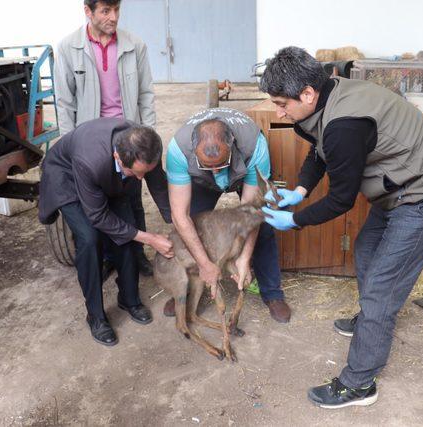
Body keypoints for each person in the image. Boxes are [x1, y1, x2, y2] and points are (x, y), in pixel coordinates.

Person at [259, 47, 423, 408]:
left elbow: (341, 199)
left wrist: (296, 220)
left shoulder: (344, 124)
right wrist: (302, 189)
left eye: (281, 103)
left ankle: (359, 384)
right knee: (366, 251)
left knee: (381, 288)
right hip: (397, 188)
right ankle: (373, 319)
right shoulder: (328, 95)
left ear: (307, 94)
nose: (278, 112)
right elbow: (319, 152)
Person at [39, 118, 174, 346]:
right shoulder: (90, 161)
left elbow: (158, 186)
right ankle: (95, 315)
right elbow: (98, 216)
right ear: (118, 157)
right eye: (136, 173)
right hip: (68, 178)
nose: (141, 179)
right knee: (89, 239)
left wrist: (177, 225)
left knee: (129, 229)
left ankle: (129, 299)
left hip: (110, 175)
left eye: (144, 172)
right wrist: (150, 239)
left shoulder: (145, 145)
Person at [54, 0, 155, 275]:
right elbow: (64, 103)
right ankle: (111, 256)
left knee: (132, 200)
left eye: (116, 10)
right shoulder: (67, 48)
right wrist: (70, 147)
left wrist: (149, 137)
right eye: (105, 11)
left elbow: (146, 95)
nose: (113, 17)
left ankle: (138, 255)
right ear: (88, 11)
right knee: (99, 204)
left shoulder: (135, 46)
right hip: (92, 143)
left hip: (129, 140)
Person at [162, 108, 291, 323]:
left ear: (231, 148)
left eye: (219, 165)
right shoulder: (179, 151)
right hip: (200, 181)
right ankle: (184, 292)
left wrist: (243, 259)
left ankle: (272, 293)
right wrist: (205, 264)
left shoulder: (254, 145)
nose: (215, 172)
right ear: (194, 151)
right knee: (191, 228)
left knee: (264, 224)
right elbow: (179, 216)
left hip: (242, 174)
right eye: (208, 166)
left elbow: (251, 212)